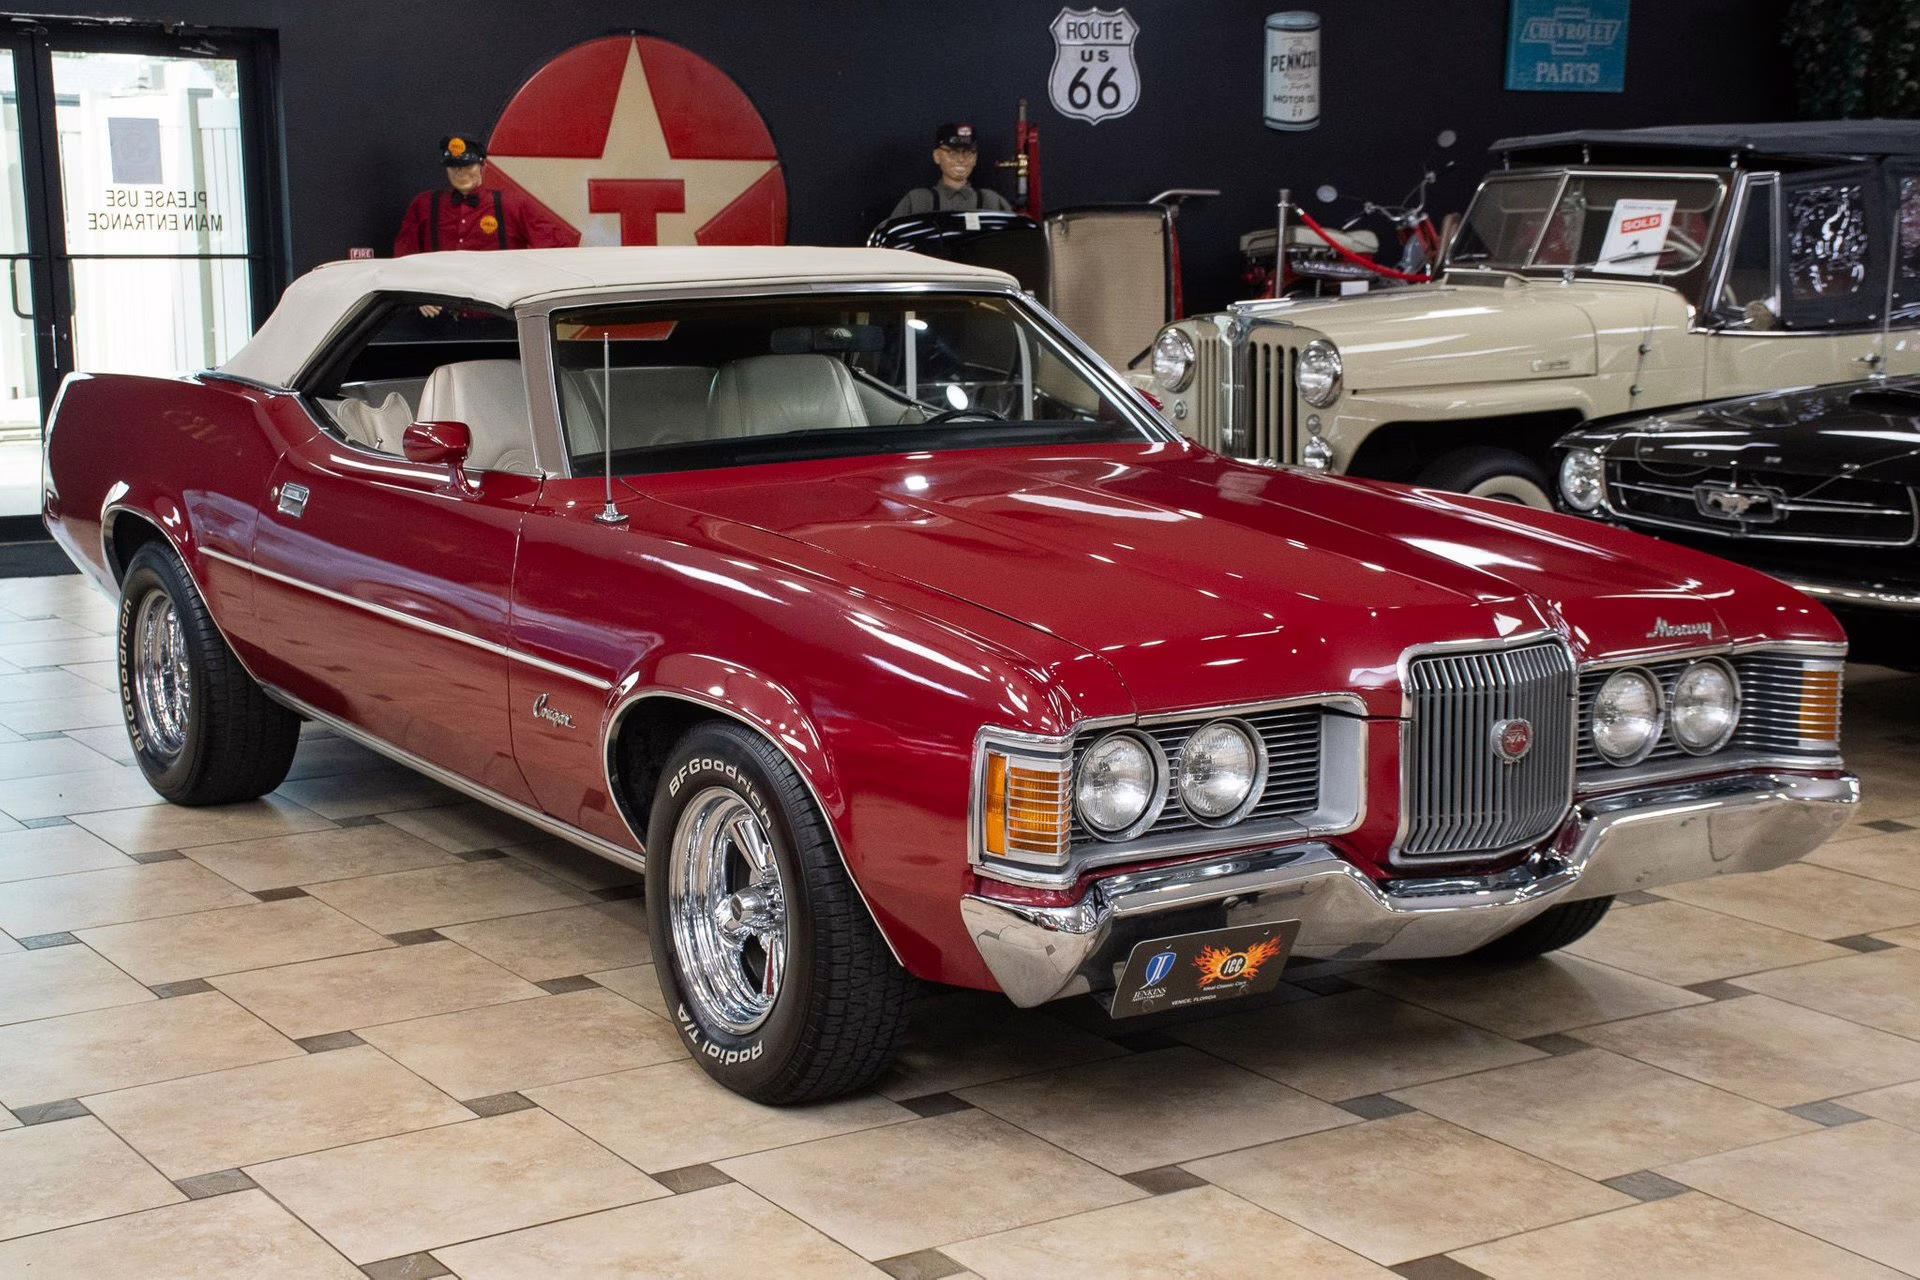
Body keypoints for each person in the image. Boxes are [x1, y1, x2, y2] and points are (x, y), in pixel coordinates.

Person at [393, 134, 575, 255]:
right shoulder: (425, 205)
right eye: (454, 167)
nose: (460, 173)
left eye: (467, 166)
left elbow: (559, 247)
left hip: (493, 311)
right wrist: (421, 290)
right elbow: (405, 256)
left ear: (482, 165)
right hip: (440, 309)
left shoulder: (511, 204)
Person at [888, 123, 1013, 219]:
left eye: (968, 153)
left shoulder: (992, 202)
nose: (961, 159)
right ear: (937, 156)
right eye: (952, 153)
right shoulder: (917, 202)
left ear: (975, 158)